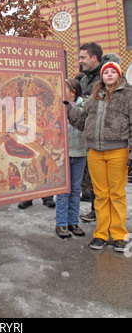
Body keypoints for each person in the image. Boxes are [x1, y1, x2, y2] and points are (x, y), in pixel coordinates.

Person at [65, 61, 132, 252]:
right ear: (102, 76)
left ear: (119, 76)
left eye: (113, 72)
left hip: (118, 151)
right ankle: (101, 234)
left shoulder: (128, 96)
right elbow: (82, 122)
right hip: (94, 153)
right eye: (106, 72)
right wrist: (69, 109)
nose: (109, 74)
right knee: (101, 195)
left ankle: (119, 235)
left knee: (117, 194)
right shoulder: (93, 98)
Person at [78, 46, 121, 222]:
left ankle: (114, 222)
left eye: (83, 57)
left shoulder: (108, 77)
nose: (80, 61)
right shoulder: (84, 80)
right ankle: (97, 211)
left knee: (112, 186)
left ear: (94, 58)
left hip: (111, 140)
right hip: (90, 136)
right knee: (96, 181)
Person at [55, 79, 87, 239]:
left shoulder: (84, 106)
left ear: (73, 91)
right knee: (63, 191)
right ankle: (61, 224)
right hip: (63, 155)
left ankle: (73, 222)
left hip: (80, 154)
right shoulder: (59, 106)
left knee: (75, 190)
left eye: (64, 88)